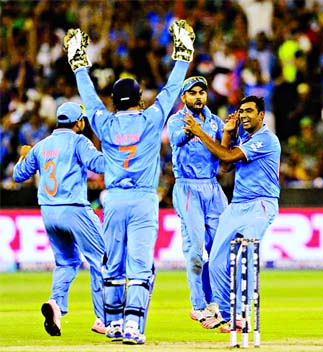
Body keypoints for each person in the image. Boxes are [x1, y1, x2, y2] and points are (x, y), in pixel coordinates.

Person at [63, 19, 195, 344]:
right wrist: (183, 55)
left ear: (113, 102)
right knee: (139, 268)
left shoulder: (104, 123)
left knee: (113, 266)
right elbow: (171, 90)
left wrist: (78, 65)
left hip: (114, 201)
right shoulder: (151, 119)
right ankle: (134, 327)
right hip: (143, 201)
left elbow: (89, 98)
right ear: (138, 100)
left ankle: (113, 325)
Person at [183, 95, 281, 330]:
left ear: (261, 115)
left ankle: (244, 314)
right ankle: (228, 314)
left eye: (249, 111)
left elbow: (227, 156)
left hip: (260, 204)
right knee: (216, 262)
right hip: (236, 206)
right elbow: (224, 168)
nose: (244, 115)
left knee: (245, 260)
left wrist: (199, 132)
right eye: (241, 111)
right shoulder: (244, 137)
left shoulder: (266, 139)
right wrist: (227, 133)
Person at [12, 102, 106, 337]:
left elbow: (18, 175)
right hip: (74, 209)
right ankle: (104, 319)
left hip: (49, 212)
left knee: (66, 263)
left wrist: (23, 157)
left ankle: (56, 304)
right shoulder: (79, 141)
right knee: (101, 261)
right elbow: (99, 164)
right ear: (79, 122)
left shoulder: (41, 146)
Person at [167, 75, 228, 325]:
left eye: (201, 92)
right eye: (192, 93)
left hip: (213, 188)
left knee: (220, 249)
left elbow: (226, 150)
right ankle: (198, 305)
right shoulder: (175, 121)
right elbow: (176, 140)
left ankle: (216, 303)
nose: (198, 96)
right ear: (184, 98)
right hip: (188, 187)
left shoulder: (214, 122)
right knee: (195, 250)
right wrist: (191, 131)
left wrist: (231, 134)